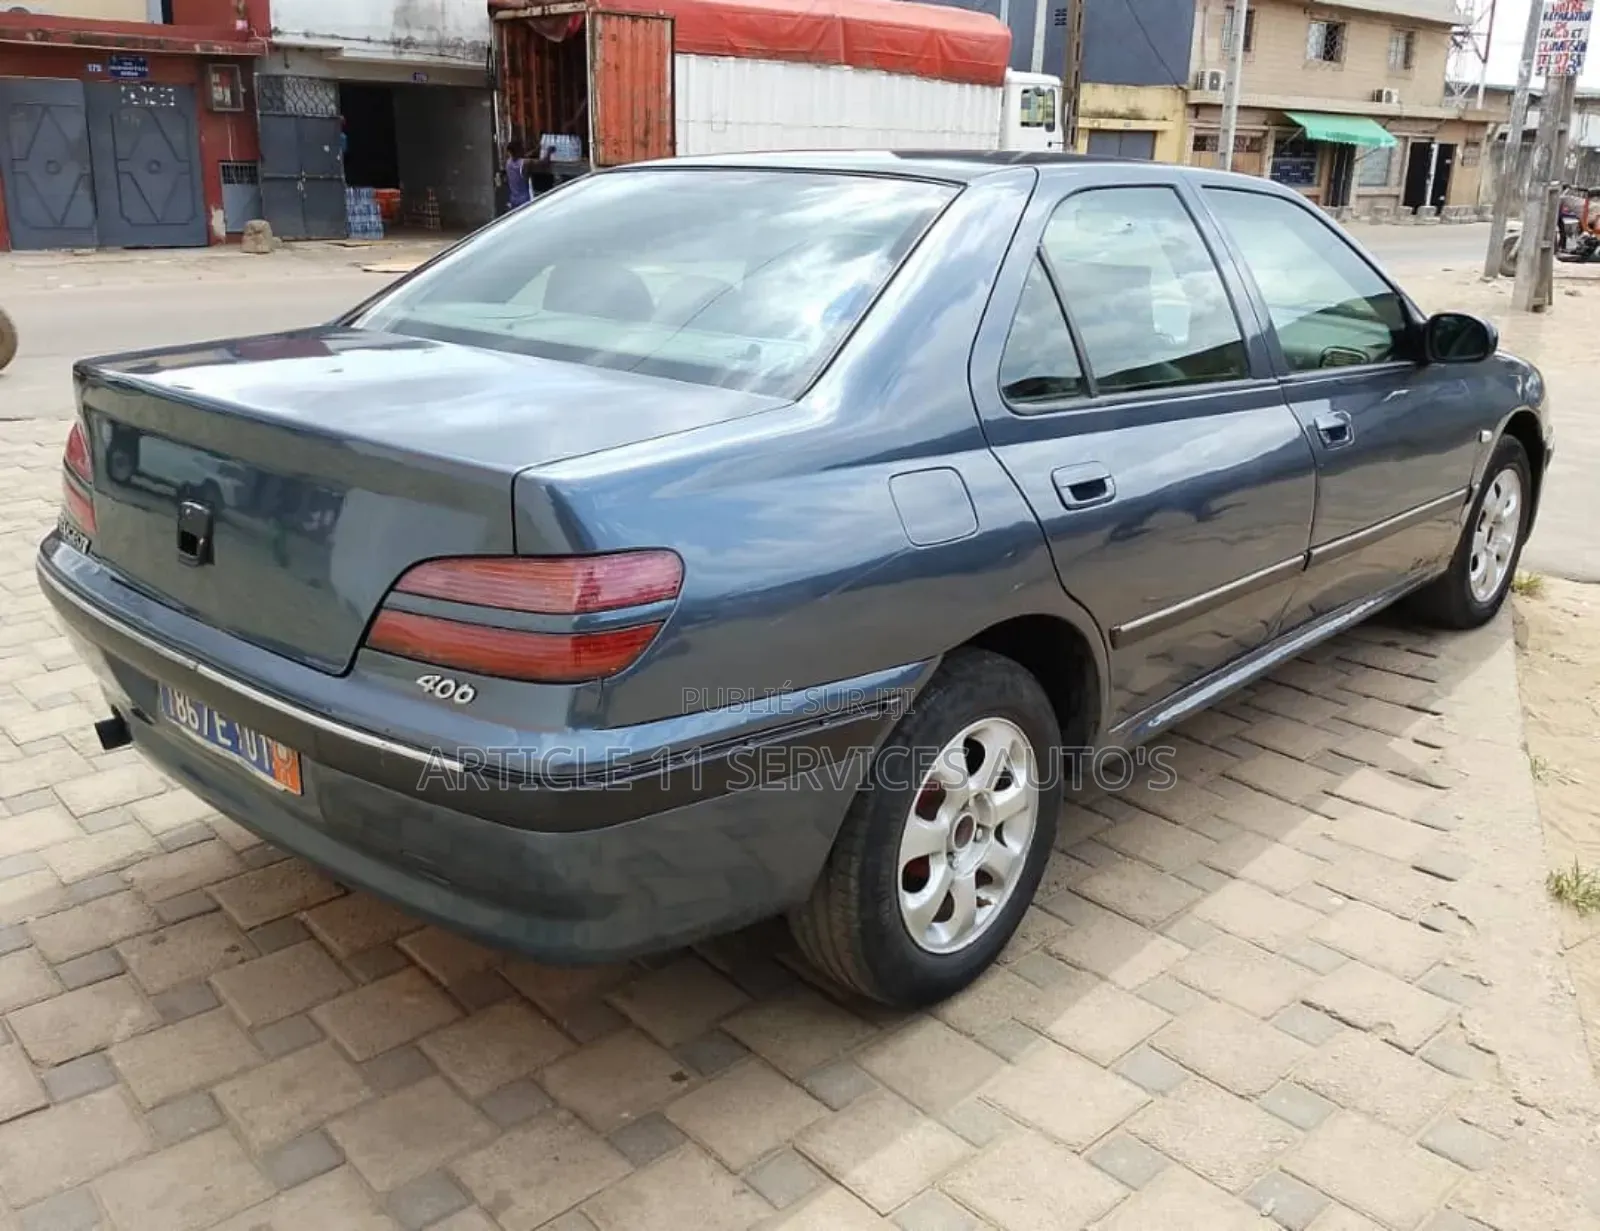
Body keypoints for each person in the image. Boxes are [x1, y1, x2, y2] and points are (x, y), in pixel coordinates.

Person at [504, 141, 530, 211]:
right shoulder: (524, 163)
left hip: (513, 199)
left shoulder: (508, 163)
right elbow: (544, 162)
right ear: (519, 150)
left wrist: (536, 149)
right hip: (524, 200)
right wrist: (549, 151)